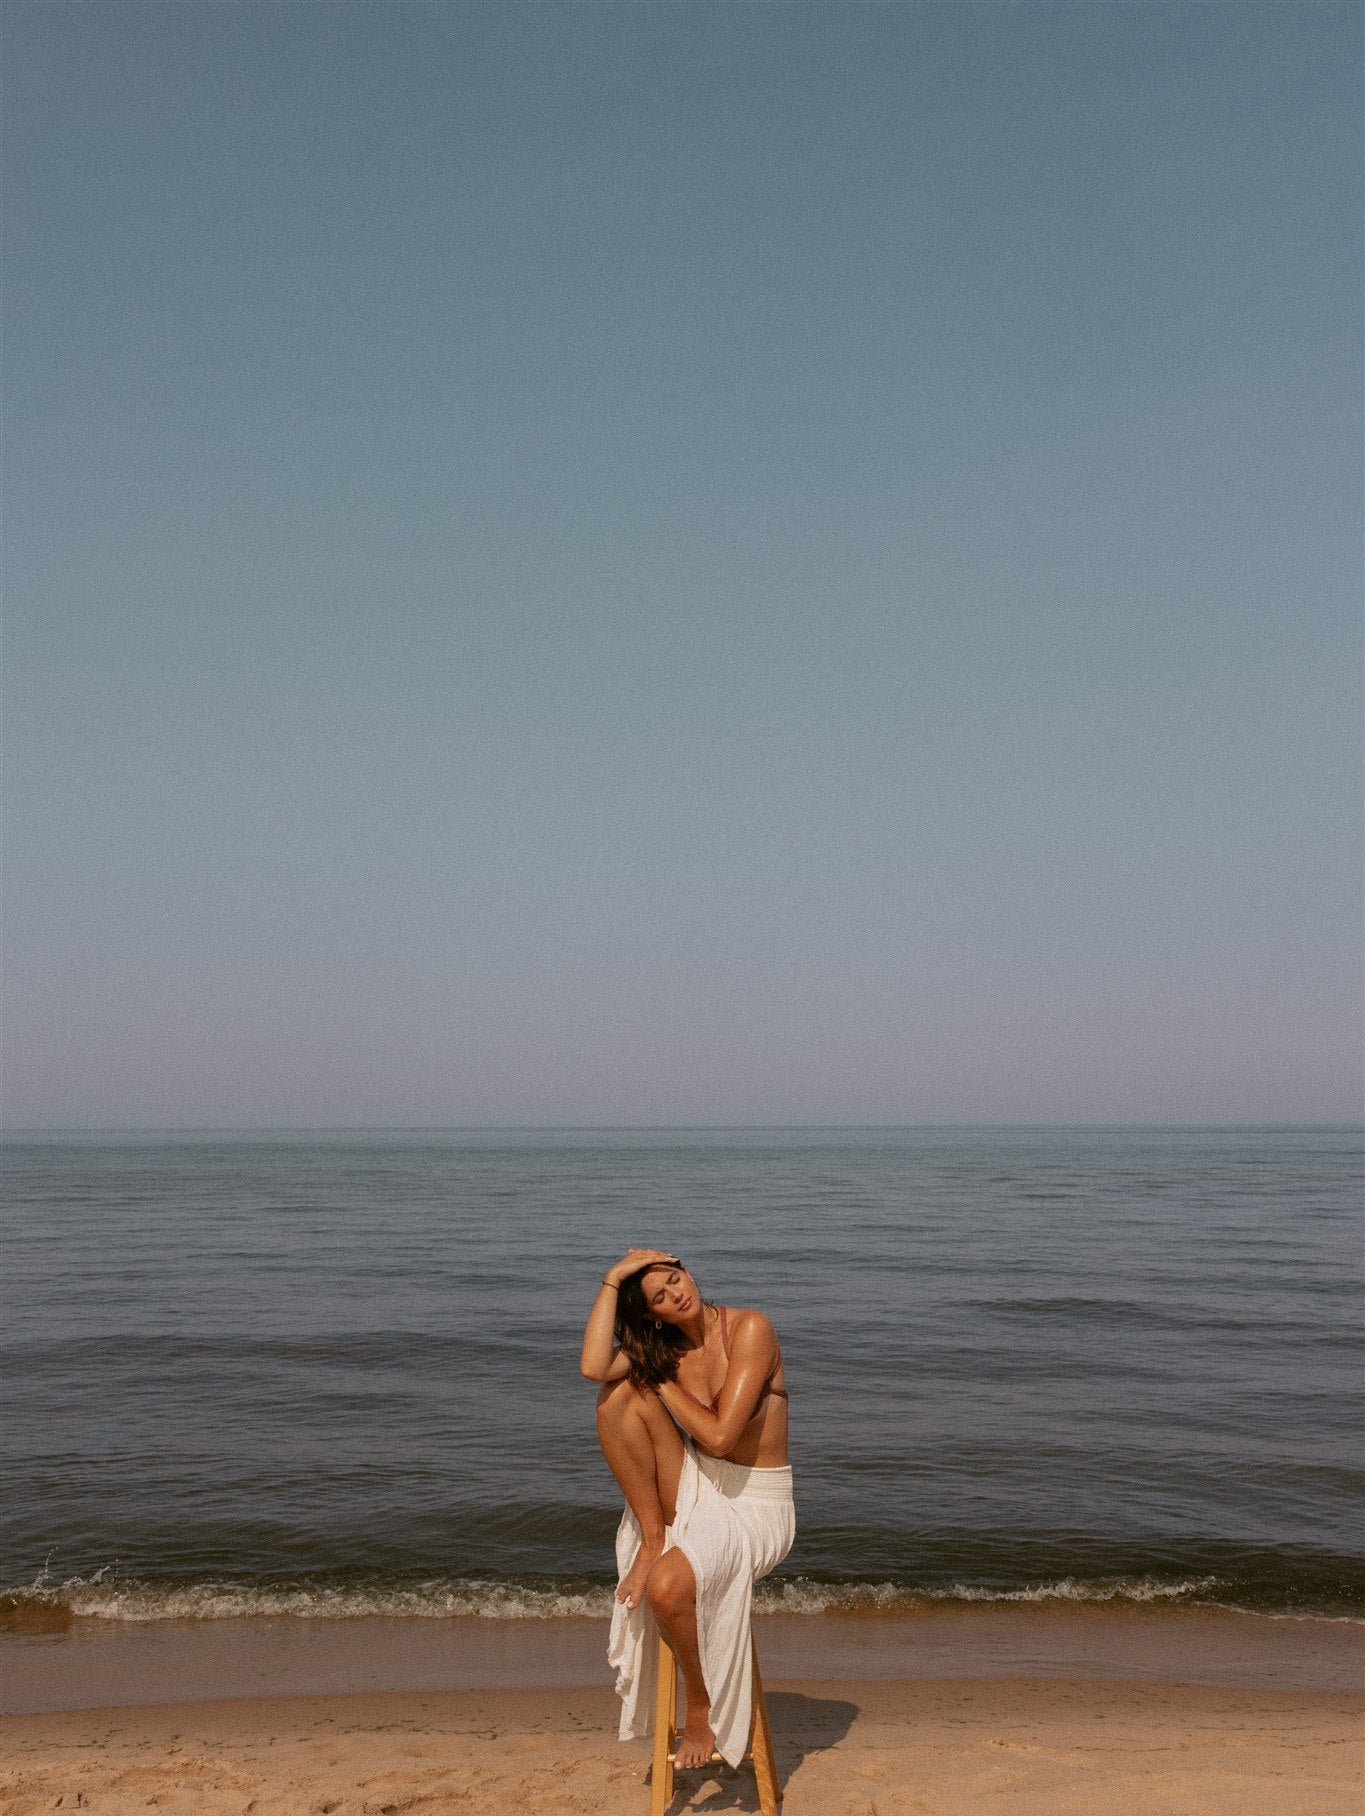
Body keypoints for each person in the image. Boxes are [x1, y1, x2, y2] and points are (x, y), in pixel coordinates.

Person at [579, 1247, 795, 1772]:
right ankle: (654, 1539)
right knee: (614, 1399)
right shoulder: (666, 1348)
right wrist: (612, 1280)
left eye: (676, 1278)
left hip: (756, 1505)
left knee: (668, 1587)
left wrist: (661, 1381)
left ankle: (701, 1704)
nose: (679, 1293)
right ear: (653, 1314)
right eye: (660, 1296)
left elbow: (721, 1437)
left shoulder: (749, 1330)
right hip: (700, 1487)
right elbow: (594, 1367)